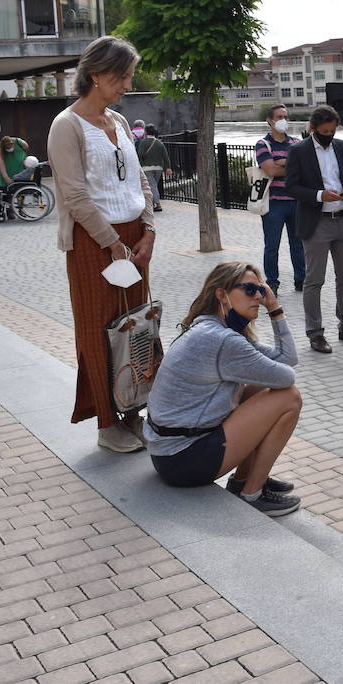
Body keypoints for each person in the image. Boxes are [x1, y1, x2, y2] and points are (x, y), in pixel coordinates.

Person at [47, 36, 156, 453]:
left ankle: (133, 412)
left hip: (133, 239)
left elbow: (139, 180)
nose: (127, 84)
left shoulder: (120, 122)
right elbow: (74, 196)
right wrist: (113, 244)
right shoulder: (67, 125)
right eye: (121, 76)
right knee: (99, 330)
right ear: (95, 75)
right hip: (95, 244)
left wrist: (148, 230)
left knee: (136, 326)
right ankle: (107, 425)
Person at [144, 262, 304, 516]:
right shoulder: (223, 340)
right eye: (249, 290)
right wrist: (274, 310)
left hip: (169, 454)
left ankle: (244, 480)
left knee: (258, 390)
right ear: (222, 294)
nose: (259, 298)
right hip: (184, 460)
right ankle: (253, 493)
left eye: (261, 290)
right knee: (289, 398)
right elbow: (287, 376)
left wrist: (275, 308)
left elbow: (287, 357)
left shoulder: (211, 328)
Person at [285, 105, 343, 354]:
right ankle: (315, 333)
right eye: (324, 131)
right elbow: (291, 187)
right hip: (317, 222)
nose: (329, 135)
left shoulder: (341, 147)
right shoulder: (299, 150)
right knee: (314, 281)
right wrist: (320, 195)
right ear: (313, 128)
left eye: (332, 131)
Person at [255, 106, 306, 294]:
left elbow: (305, 168)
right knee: (272, 246)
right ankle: (272, 283)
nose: (284, 120)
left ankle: (301, 279)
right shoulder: (263, 144)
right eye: (279, 117)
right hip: (273, 203)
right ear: (270, 120)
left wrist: (281, 162)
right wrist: (290, 165)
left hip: (296, 202)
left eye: (286, 116)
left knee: (298, 244)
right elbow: (270, 170)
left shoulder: (296, 142)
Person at [136, 124, 170, 212]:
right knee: (154, 185)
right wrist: (168, 168)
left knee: (152, 186)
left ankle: (157, 204)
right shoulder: (159, 143)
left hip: (147, 168)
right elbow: (165, 157)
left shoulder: (143, 142)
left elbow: (140, 154)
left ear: (146, 132)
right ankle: (153, 202)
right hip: (159, 168)